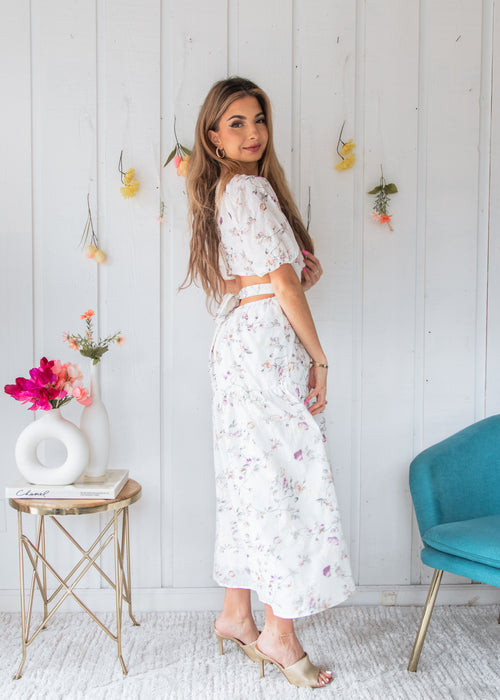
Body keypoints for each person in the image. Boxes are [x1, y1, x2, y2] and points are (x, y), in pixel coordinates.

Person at [182, 76, 354, 689]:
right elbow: (279, 283)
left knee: (249, 476)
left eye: (258, 120)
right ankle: (279, 633)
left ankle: (237, 614)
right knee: (287, 480)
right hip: (264, 348)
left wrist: (291, 277)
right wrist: (319, 357)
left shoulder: (224, 191)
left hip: (239, 342)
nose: (252, 132)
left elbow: (243, 281)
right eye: (237, 123)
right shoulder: (250, 189)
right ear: (214, 136)